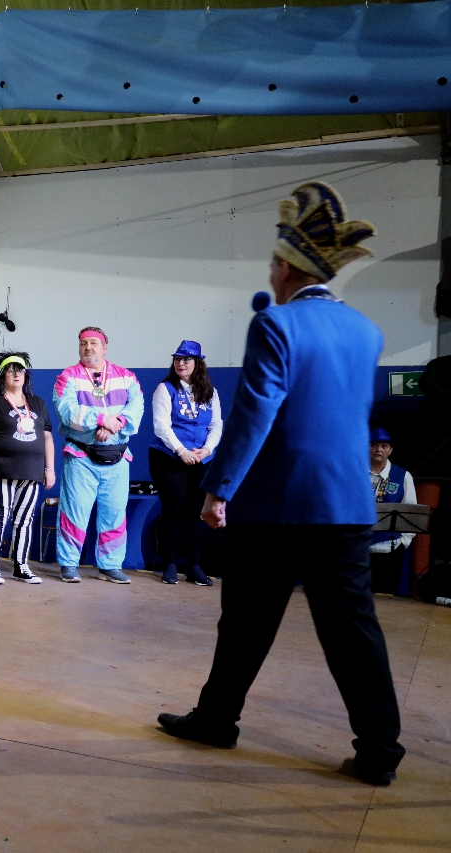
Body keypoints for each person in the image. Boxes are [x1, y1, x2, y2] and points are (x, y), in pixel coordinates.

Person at [159, 181, 405, 787]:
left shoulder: (276, 324)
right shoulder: (366, 331)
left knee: (245, 623)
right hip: (346, 506)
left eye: (273, 262)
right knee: (353, 630)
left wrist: (219, 489)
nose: (270, 272)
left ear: (288, 267)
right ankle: (380, 749)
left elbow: (254, 414)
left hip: (276, 507)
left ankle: (217, 719)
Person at [52, 327, 143, 583]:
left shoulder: (127, 377)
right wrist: (101, 419)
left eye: (93, 343)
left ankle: (110, 565)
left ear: (105, 347)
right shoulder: (68, 377)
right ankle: (69, 564)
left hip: (117, 458)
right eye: (83, 343)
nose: (88, 347)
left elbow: (136, 407)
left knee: (114, 513)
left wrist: (116, 423)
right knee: (74, 511)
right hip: (81, 457)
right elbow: (67, 410)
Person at [0, 353, 55, 585]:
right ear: (2, 376)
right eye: (11, 370)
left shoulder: (37, 403)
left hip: (31, 471)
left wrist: (50, 468)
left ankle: (21, 566)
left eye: (20, 369)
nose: (16, 374)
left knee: (25, 519)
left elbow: (47, 438)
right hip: (2, 471)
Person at [148, 340, 223, 586]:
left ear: (198, 363)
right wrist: (181, 451)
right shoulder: (165, 389)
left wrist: (207, 449)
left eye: (186, 359)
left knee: (196, 512)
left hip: (201, 458)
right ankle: (169, 564)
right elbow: (161, 425)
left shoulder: (210, 392)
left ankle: (194, 566)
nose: (181, 363)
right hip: (169, 457)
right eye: (177, 359)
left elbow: (216, 424)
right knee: (174, 509)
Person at [368, 427, 415, 595]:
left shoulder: (402, 476)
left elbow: (411, 513)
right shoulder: (355, 472)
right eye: (374, 445)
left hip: (389, 551)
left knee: (387, 601)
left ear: (391, 450)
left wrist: (403, 543)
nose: (379, 449)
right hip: (359, 550)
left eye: (384, 446)